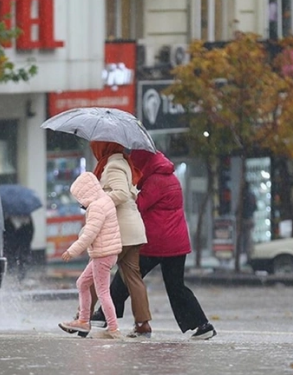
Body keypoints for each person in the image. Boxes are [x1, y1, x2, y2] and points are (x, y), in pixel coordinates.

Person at [90, 150, 217, 340]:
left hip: (157, 242)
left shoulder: (156, 181)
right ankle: (202, 325)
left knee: (127, 274)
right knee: (176, 287)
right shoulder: (169, 178)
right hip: (176, 243)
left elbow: (138, 205)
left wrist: (127, 191)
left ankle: (104, 316)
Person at [89, 141, 151, 338]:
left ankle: (83, 317)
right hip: (133, 230)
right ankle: (143, 324)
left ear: (104, 146)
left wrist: (98, 202)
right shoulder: (125, 162)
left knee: (94, 273)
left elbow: (122, 194)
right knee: (134, 277)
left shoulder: (113, 165)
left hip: (120, 230)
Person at [58, 172, 123, 339]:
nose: (79, 202)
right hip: (107, 253)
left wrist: (71, 251)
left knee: (102, 292)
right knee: (82, 283)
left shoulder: (96, 207)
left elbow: (89, 235)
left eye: (79, 197)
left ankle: (113, 328)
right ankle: (84, 321)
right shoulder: (105, 200)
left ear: (85, 193)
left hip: (102, 254)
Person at [3, 214, 34, 282]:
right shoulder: (27, 219)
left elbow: (30, 232)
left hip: (20, 243)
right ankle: (14, 274)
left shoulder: (26, 220)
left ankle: (19, 275)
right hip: (14, 243)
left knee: (21, 258)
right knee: (14, 257)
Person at [240, 183, 257, 257]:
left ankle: (245, 251)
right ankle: (248, 251)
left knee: (244, 236)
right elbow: (255, 207)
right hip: (250, 217)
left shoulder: (242, 196)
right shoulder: (252, 195)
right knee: (248, 235)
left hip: (244, 218)